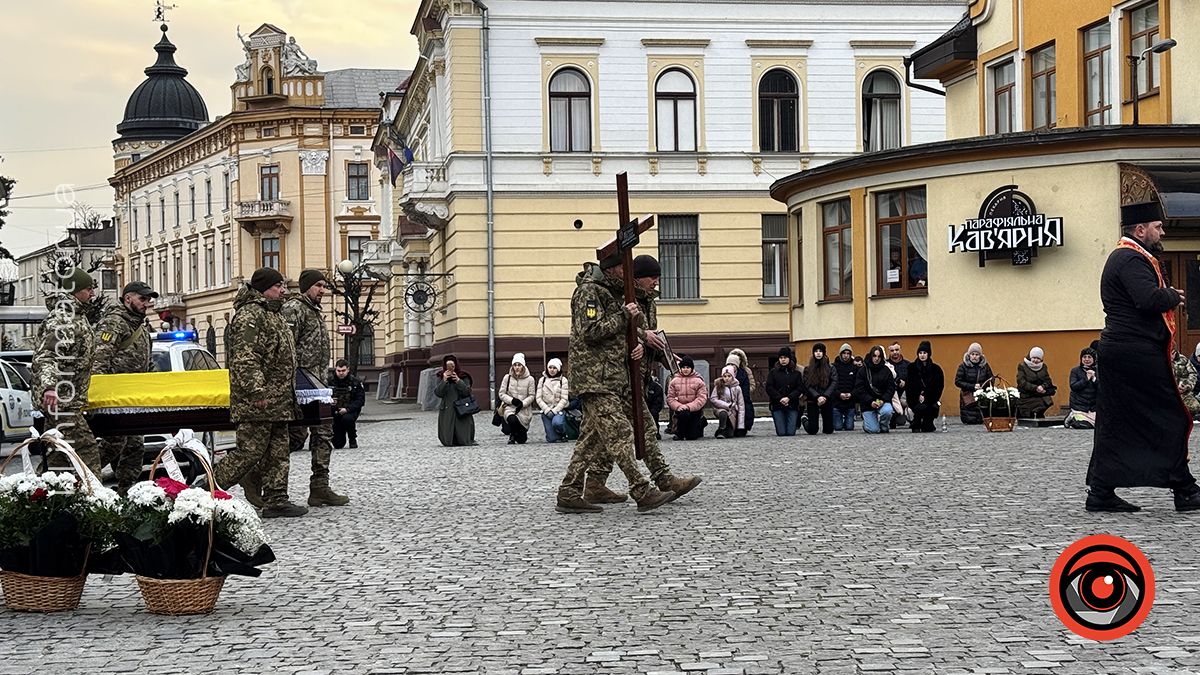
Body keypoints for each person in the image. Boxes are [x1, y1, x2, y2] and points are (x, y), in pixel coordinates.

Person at [1086, 200, 1200, 512]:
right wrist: (1171, 296)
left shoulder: (1131, 257)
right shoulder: (1129, 259)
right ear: (1140, 229)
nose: (1162, 231)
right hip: (1133, 352)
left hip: (1126, 352)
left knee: (1117, 422)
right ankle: (1185, 490)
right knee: (1171, 415)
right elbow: (1147, 298)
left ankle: (1100, 492)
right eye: (1158, 227)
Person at [555, 254, 674, 514]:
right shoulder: (589, 291)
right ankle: (642, 490)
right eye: (625, 267)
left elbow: (619, 335)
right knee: (620, 433)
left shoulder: (613, 291)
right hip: (594, 377)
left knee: (590, 439)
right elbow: (590, 331)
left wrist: (637, 346)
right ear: (614, 268)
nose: (628, 272)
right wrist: (624, 316)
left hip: (612, 376)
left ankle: (569, 491)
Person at [582, 254, 702, 504]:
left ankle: (593, 484)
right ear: (636, 278)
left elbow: (650, 339)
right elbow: (614, 330)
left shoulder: (649, 303)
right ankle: (662, 479)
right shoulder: (621, 298)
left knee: (599, 437)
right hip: (616, 377)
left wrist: (665, 355)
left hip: (635, 377)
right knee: (642, 428)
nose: (657, 282)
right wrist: (640, 336)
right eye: (652, 277)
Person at [212, 267, 307, 518]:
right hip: (258, 401)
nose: (283, 290)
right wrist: (256, 391)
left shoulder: (273, 314)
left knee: (278, 451)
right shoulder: (250, 316)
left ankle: (276, 499)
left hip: (278, 400)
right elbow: (245, 359)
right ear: (264, 288)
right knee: (249, 452)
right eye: (278, 286)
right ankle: (206, 490)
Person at [281, 269, 349, 508]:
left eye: (324, 286)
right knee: (295, 437)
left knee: (323, 433)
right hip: (299, 386)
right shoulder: (294, 309)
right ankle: (260, 476)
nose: (322, 290)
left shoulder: (315, 311)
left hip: (318, 385)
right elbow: (286, 351)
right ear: (306, 286)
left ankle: (320, 487)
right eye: (318, 285)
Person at [31, 268, 101, 474]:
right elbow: (46, 356)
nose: (92, 294)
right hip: (61, 400)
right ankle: (96, 501)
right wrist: (49, 387)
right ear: (75, 291)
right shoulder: (62, 320)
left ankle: (38, 496)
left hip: (68, 399)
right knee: (87, 450)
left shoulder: (77, 316)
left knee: (57, 455)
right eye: (88, 289)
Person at [92, 280, 155, 495]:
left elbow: (147, 361)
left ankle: (127, 492)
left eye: (148, 299)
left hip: (134, 398)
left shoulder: (140, 325)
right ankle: (79, 473)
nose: (147, 303)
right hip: (115, 397)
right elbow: (99, 360)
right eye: (143, 298)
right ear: (128, 298)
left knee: (135, 447)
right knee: (114, 443)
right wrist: (101, 396)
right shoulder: (114, 323)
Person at [436, 354, 476, 446]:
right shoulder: (441, 376)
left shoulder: (464, 376)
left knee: (462, 437)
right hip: (447, 409)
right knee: (448, 437)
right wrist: (444, 381)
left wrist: (458, 381)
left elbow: (467, 392)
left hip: (461, 408)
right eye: (448, 366)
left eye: (452, 366)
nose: (451, 368)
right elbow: (438, 393)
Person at [854, 345, 895, 433]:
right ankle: (868, 424)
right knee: (873, 430)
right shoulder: (863, 371)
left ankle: (884, 425)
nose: (876, 359)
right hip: (867, 403)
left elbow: (891, 388)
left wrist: (883, 400)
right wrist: (870, 401)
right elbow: (860, 389)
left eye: (879, 356)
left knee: (887, 411)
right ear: (871, 356)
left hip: (882, 401)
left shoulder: (886, 370)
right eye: (874, 356)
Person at [498, 353, 536, 444]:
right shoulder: (507, 378)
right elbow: (501, 394)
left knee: (521, 440)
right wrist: (512, 400)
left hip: (524, 410)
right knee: (511, 418)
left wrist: (522, 403)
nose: (517, 367)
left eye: (519, 365)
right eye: (515, 365)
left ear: (523, 366)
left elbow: (531, 395)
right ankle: (512, 435)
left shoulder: (530, 379)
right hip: (510, 407)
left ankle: (520, 433)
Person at [906, 341, 944, 433]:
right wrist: (918, 396)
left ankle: (928, 421)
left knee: (927, 428)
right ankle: (916, 421)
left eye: (924, 353)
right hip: (915, 399)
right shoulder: (911, 368)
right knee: (918, 412)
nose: (922, 355)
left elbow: (938, 387)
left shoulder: (936, 369)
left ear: (929, 354)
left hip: (930, 400)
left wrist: (926, 396)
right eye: (920, 353)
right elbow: (909, 386)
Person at [667, 355, 708, 440]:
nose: (685, 369)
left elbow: (702, 398)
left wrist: (689, 407)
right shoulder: (674, 381)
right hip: (680, 410)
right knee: (683, 417)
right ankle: (679, 433)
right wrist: (678, 406)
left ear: (692, 368)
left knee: (692, 436)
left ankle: (701, 423)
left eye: (688, 367)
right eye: (683, 367)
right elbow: (670, 398)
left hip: (695, 410)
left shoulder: (699, 381)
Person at [766, 346, 803, 436]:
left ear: (789, 359)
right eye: (781, 358)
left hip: (792, 404)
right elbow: (769, 387)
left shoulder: (796, 373)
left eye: (785, 358)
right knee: (781, 432)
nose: (783, 360)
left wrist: (789, 398)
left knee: (790, 432)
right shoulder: (773, 372)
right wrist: (780, 398)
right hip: (777, 404)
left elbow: (800, 388)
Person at [954, 342, 993, 425]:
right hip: (968, 396)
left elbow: (991, 380)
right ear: (969, 355)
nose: (974, 356)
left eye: (977, 354)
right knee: (970, 419)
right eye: (972, 354)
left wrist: (982, 386)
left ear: (980, 356)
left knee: (981, 417)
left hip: (981, 395)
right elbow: (958, 381)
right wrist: (972, 386)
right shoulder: (963, 367)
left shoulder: (985, 366)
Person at [329, 359, 365, 449]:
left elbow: (360, 400)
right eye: (339, 371)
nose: (341, 373)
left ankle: (352, 438)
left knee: (347, 419)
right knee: (338, 444)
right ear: (335, 370)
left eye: (343, 371)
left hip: (350, 411)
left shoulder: (355, 382)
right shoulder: (330, 382)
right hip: (335, 412)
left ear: (348, 370)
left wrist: (347, 409)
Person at [802, 343, 836, 435]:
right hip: (813, 399)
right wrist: (817, 397)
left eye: (820, 351)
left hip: (827, 399)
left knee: (828, 430)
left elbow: (834, 382)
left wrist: (825, 396)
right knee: (813, 430)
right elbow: (807, 385)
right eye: (816, 351)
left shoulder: (831, 368)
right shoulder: (808, 369)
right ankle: (805, 420)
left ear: (824, 353)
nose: (818, 353)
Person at [1015, 347, 1055, 418]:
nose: (1035, 360)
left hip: (1040, 393)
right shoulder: (1022, 366)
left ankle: (1037, 414)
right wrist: (1036, 388)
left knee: (1048, 401)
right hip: (1027, 394)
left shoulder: (1044, 367)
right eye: (1034, 358)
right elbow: (1021, 382)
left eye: (1038, 358)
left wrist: (1043, 386)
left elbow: (1048, 380)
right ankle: (1029, 413)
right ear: (1030, 357)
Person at [536, 358, 570, 442]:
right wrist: (547, 410)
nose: (552, 370)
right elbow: (538, 398)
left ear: (558, 369)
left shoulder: (563, 380)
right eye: (550, 367)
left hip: (558, 409)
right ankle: (555, 434)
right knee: (552, 439)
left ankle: (563, 433)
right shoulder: (542, 380)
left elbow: (564, 399)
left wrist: (555, 410)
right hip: (546, 410)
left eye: (554, 368)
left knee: (557, 423)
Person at [1066, 347, 1099, 429]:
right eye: (1084, 357)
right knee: (1081, 425)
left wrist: (1094, 379)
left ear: (1094, 359)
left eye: (1089, 357)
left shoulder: (1098, 371)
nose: (1087, 359)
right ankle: (1072, 418)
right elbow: (1074, 386)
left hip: (1093, 407)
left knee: (1099, 425)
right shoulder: (1075, 371)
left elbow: (1101, 388)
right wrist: (1086, 379)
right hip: (1079, 406)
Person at [725, 348, 755, 436]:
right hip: (729, 398)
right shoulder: (726, 372)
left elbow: (752, 384)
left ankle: (743, 427)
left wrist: (741, 393)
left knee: (745, 408)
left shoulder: (746, 371)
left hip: (743, 395)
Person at [710, 364, 744, 439]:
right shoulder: (718, 386)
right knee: (723, 413)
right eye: (725, 376)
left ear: (733, 376)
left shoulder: (737, 388)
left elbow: (741, 406)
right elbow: (713, 399)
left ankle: (723, 431)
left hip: (733, 411)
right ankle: (721, 429)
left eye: (729, 376)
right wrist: (726, 405)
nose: (727, 378)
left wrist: (740, 426)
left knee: (730, 434)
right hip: (721, 409)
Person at [832, 344, 858, 431]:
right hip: (837, 401)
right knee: (838, 427)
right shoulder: (834, 367)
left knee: (849, 427)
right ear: (840, 354)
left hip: (850, 402)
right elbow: (832, 384)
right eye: (844, 353)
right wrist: (839, 394)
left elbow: (857, 385)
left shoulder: (854, 368)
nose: (846, 355)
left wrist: (851, 394)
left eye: (848, 353)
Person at [887, 342, 911, 428]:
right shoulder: (885, 365)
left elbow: (913, 381)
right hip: (891, 396)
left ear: (900, 350)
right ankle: (892, 418)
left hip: (904, 395)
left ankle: (910, 417)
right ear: (889, 352)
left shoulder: (908, 365)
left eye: (897, 350)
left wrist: (906, 383)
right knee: (897, 421)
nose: (895, 352)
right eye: (892, 350)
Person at [1172, 349, 1200, 418]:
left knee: (1195, 407)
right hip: (1166, 392)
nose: (1171, 356)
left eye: (1173, 353)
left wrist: (1187, 386)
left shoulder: (1183, 360)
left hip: (1183, 393)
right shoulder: (1160, 360)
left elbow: (1193, 374)